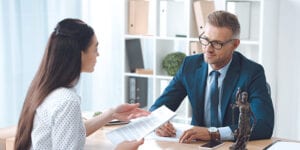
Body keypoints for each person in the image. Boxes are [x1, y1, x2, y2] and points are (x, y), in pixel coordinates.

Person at [14, 18, 149, 150]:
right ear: (80, 54)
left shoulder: (46, 89)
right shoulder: (67, 101)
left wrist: (111, 114)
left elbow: (71, 133)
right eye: (95, 49)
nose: (98, 54)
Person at [150, 10, 274, 143]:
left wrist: (214, 134)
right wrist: (159, 123)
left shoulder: (252, 72)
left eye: (217, 43)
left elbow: (264, 125)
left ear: (235, 44)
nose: (208, 49)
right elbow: (159, 108)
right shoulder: (190, 66)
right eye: (206, 40)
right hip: (196, 144)